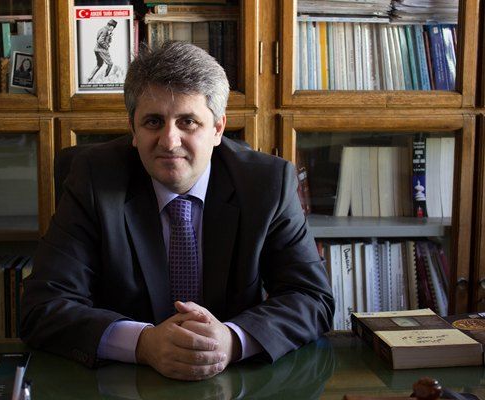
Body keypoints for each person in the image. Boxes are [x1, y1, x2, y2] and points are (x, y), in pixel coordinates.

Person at [20, 41, 334, 381]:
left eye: (188, 122)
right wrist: (142, 343)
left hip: (234, 381)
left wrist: (231, 340)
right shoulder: (94, 178)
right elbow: (43, 306)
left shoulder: (266, 183)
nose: (169, 141)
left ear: (217, 129)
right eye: (153, 122)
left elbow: (311, 298)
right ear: (133, 130)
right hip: (122, 382)